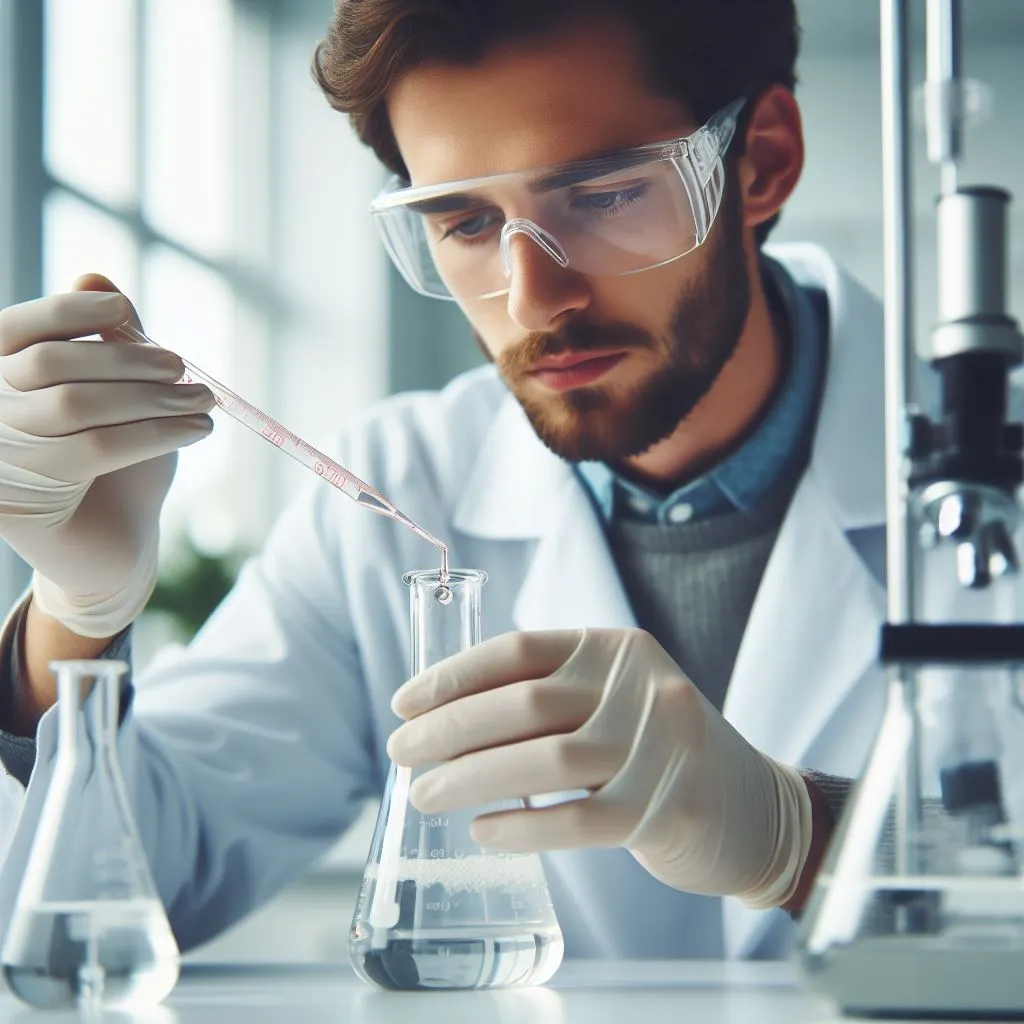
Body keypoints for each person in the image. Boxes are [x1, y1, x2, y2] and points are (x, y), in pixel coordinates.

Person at [0, 0, 891, 962]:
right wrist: (74, 615)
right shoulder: (398, 493)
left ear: (758, 163)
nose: (533, 297)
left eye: (603, 196)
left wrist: (806, 839)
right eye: (465, 220)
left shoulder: (984, 475)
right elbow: (101, 896)